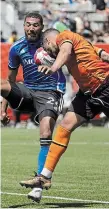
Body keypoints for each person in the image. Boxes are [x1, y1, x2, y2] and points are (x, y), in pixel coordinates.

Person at [27, 28, 109, 197]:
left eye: (47, 48)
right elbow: (102, 54)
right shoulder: (82, 44)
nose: (49, 53)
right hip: (87, 93)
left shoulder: (64, 37)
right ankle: (45, 176)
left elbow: (63, 52)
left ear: (48, 41)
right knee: (64, 126)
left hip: (105, 86)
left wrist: (53, 67)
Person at [0, 15, 66, 202]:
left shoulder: (53, 43)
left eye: (35, 25)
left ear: (42, 27)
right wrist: (3, 109)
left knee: (45, 132)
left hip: (50, 93)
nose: (31, 28)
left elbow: (67, 54)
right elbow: (10, 80)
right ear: (23, 26)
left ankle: (39, 185)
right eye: (28, 25)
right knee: (1, 84)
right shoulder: (17, 48)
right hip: (27, 92)